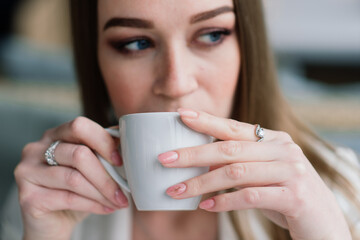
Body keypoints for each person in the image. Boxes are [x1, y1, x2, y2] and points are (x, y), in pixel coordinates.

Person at [2, 0, 359, 239]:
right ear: (95, 61)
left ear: (247, 48)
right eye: (135, 43)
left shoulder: (332, 186)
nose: (176, 84)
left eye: (211, 35)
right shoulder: (47, 195)